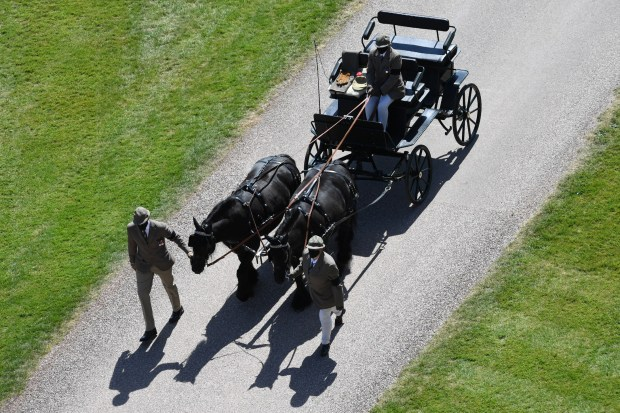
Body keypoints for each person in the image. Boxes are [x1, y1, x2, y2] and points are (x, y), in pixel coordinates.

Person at [127, 206, 193, 342]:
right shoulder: (131, 228)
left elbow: (176, 237)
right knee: (142, 293)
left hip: (162, 263)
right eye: (138, 224)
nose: (139, 226)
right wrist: (133, 262)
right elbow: (132, 246)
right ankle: (150, 329)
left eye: (142, 224)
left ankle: (177, 309)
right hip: (143, 265)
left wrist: (188, 251)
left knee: (169, 286)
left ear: (147, 220)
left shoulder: (160, 227)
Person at [290, 235, 345, 357]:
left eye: (315, 250)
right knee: (335, 310)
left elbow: (337, 286)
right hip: (315, 294)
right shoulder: (306, 254)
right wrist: (293, 274)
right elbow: (302, 266)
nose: (311, 252)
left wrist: (340, 303)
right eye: (310, 249)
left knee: (324, 318)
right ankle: (340, 313)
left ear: (322, 249)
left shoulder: (329, 265)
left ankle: (325, 343)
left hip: (328, 297)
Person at [365, 34, 405, 131]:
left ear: (388, 46)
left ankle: (382, 131)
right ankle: (373, 129)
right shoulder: (372, 53)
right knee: (368, 106)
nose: (380, 50)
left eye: (383, 48)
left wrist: (382, 90)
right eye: (378, 47)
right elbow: (369, 72)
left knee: (381, 106)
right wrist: (370, 86)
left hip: (393, 88)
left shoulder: (395, 57)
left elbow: (394, 77)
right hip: (377, 86)